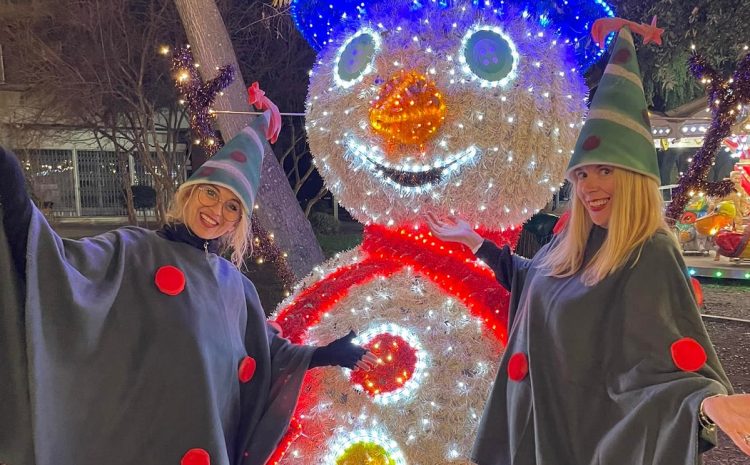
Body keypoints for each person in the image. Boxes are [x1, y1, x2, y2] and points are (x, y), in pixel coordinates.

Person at [427, 19, 750, 465]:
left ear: (635, 177)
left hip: (577, 434)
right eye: (580, 174)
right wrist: (474, 241)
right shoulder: (574, 241)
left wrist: (706, 401)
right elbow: (535, 280)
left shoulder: (649, 252)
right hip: (533, 421)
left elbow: (661, 361)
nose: (588, 186)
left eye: (605, 170)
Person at [0, 96, 376, 465]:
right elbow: (57, 266)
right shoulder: (134, 250)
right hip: (140, 440)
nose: (216, 210)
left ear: (237, 222)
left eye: (231, 205)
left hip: (206, 441)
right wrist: (15, 197)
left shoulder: (236, 286)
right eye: (211, 192)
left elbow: (267, 352)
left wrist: (322, 355)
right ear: (191, 192)